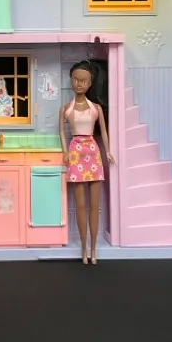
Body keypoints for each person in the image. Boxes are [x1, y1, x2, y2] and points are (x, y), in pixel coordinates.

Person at [59, 60, 115, 265]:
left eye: (83, 80)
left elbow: (104, 132)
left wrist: (108, 151)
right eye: (76, 79)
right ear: (71, 81)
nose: (79, 83)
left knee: (94, 205)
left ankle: (93, 248)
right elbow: (61, 132)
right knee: (81, 205)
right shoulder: (66, 108)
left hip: (93, 153)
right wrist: (65, 152)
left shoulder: (96, 108)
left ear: (90, 83)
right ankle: (84, 247)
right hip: (75, 153)